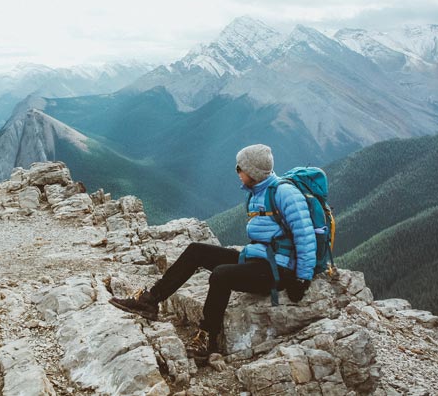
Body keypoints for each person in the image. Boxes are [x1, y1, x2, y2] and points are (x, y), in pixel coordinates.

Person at [108, 144, 316, 356]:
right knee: (196, 250)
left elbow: (305, 235)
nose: (237, 171)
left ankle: (207, 337)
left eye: (240, 168)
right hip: (257, 260)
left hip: (278, 270)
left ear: (253, 172)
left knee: (221, 275)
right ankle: (150, 301)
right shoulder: (258, 192)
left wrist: (302, 279)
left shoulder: (285, 194)